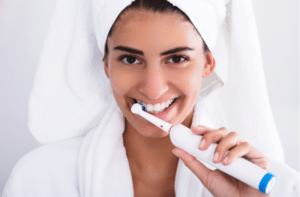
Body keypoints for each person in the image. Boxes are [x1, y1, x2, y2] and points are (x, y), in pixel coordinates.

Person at [3, 0, 297, 196]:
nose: (153, 89)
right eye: (130, 59)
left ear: (208, 63)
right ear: (105, 65)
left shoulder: (272, 185)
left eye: (177, 58)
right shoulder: (39, 180)